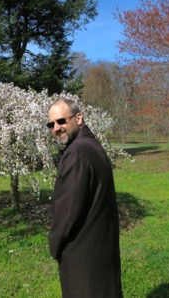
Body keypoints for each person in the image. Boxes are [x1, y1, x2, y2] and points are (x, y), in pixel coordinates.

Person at [47, 98, 123, 298]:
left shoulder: (77, 154)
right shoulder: (92, 146)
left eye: (62, 121)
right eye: (51, 124)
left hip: (83, 259)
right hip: (100, 252)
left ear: (78, 118)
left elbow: (67, 214)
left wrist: (54, 246)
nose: (56, 128)